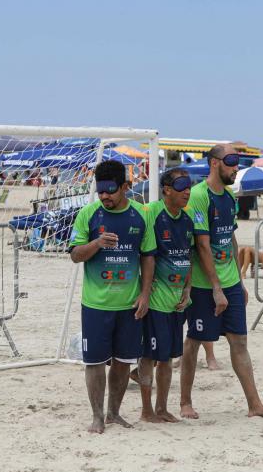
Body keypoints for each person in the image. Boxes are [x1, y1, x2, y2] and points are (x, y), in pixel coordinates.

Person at [180, 143, 263, 420]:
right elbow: (202, 246)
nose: (236, 167)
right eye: (231, 162)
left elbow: (231, 238)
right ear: (214, 163)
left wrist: (239, 281)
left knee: (239, 342)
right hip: (204, 286)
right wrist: (216, 288)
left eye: (237, 162)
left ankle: (254, 404)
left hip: (230, 282)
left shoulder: (228, 196)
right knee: (194, 341)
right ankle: (185, 402)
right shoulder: (199, 196)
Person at [69, 160, 156, 434]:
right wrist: (96, 244)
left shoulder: (141, 215)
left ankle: (114, 413)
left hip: (129, 304)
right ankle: (97, 417)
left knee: (123, 361)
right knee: (94, 362)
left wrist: (145, 294)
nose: (105, 196)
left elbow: (148, 257)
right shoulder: (88, 214)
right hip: (96, 304)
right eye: (101, 191)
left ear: (126, 187)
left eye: (110, 190)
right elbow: (75, 255)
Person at [135, 168, 195, 424]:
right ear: (167, 190)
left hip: (177, 301)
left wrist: (188, 288)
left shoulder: (187, 219)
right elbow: (141, 252)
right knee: (149, 356)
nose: (187, 191)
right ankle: (146, 410)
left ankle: (162, 408)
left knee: (168, 358)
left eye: (189, 186)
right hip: (155, 300)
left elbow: (189, 256)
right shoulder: (151, 212)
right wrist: (144, 292)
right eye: (181, 186)